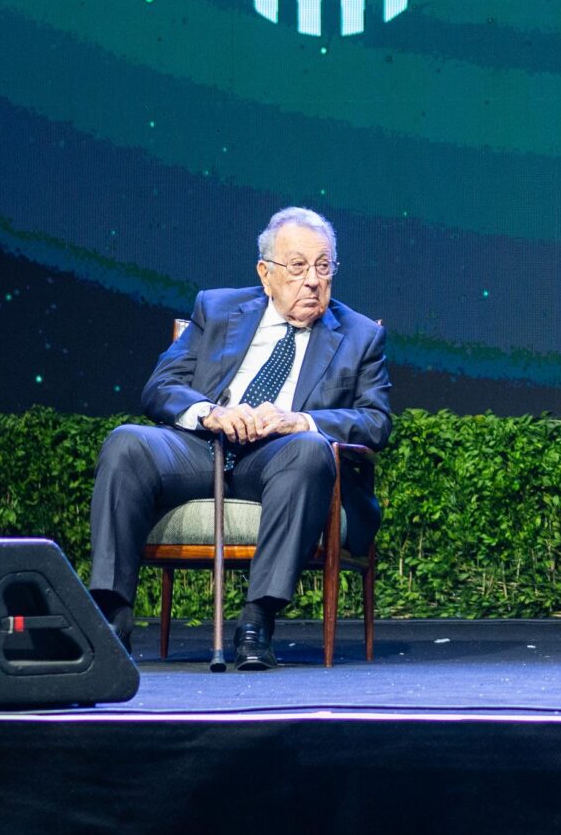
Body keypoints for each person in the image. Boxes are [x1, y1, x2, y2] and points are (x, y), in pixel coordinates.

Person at [86, 206, 393, 670]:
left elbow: (375, 421)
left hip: (278, 458)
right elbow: (160, 388)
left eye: (323, 266)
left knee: (310, 450)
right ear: (265, 274)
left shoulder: (360, 335)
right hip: (202, 450)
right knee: (126, 442)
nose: (312, 280)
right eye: (297, 267)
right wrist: (212, 414)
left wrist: (299, 421)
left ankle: (257, 620)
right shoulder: (217, 308)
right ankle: (111, 619)